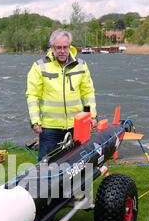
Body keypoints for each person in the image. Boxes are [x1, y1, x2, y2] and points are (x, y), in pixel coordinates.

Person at [26, 29, 97, 160]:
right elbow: (32, 96)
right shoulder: (39, 67)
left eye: (65, 47)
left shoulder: (81, 65)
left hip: (76, 125)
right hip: (49, 128)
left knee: (78, 164)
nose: (62, 51)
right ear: (52, 47)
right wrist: (35, 121)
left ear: (70, 46)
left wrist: (92, 116)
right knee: (46, 167)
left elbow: (88, 93)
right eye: (58, 47)